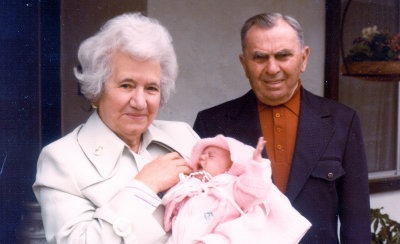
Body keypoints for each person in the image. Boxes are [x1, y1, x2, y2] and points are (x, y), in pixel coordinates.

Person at [193, 13, 370, 243]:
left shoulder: (342, 122)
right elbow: (195, 214)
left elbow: (356, 223)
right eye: (259, 58)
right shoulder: (212, 124)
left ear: (303, 58)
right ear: (244, 64)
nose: (272, 68)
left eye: (283, 55)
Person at [33, 13, 199, 244]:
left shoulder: (183, 136)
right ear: (97, 89)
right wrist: (144, 187)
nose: (140, 102)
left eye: (151, 88)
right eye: (126, 85)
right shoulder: (62, 160)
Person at [162, 135, 311, 244]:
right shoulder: (189, 187)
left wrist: (256, 166)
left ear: (230, 167)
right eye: (200, 156)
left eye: (211, 156)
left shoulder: (232, 187)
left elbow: (254, 190)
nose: (202, 158)